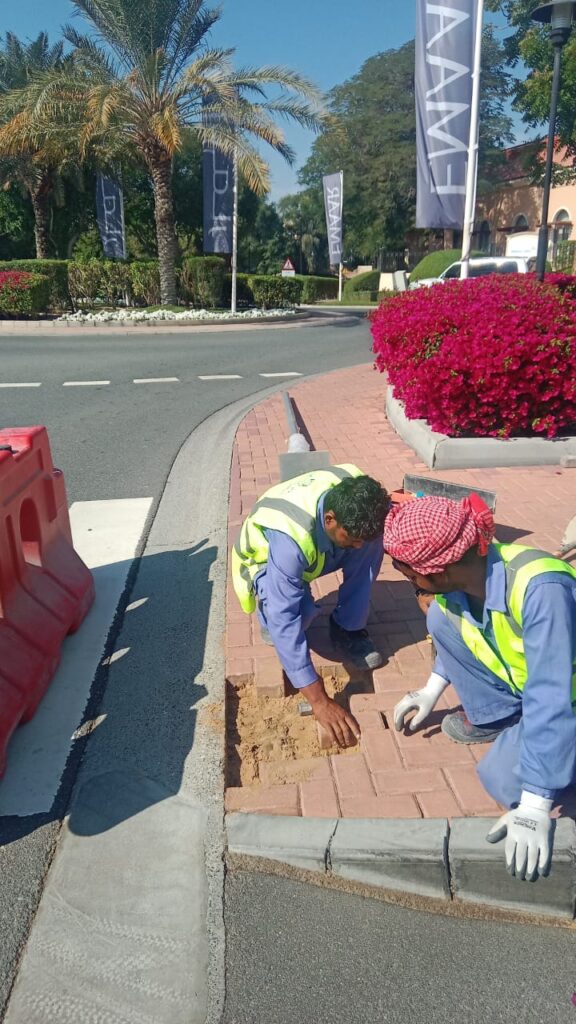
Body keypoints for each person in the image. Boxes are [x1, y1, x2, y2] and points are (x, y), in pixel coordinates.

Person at [384, 494, 576, 883]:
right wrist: (431, 689)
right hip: (534, 687)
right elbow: (468, 632)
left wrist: (535, 805)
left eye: (411, 577)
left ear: (438, 572)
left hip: (562, 696)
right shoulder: (466, 580)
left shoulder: (541, 591)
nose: (413, 586)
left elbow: (551, 695)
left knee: (503, 779)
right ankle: (505, 719)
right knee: (440, 619)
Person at [232, 465, 390, 748]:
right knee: (296, 616)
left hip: (318, 545)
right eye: (351, 538)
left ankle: (347, 627)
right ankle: (265, 611)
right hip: (266, 560)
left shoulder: (357, 496)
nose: (356, 545)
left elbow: (366, 532)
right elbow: (285, 619)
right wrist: (319, 700)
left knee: (370, 545)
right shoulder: (289, 542)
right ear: (329, 520)